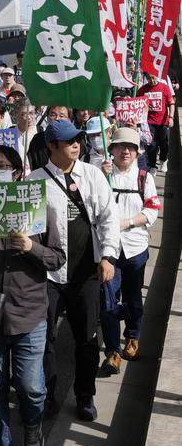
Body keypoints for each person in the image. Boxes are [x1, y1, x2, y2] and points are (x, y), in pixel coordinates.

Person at [0, 146, 65, 446]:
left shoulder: (39, 208)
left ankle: (32, 422)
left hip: (29, 312)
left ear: (17, 173)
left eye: (2, 166)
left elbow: (57, 258)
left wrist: (31, 247)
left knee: (30, 385)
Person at [29, 120, 120, 421]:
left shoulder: (92, 174)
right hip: (49, 276)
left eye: (77, 140)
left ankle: (85, 395)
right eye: (68, 141)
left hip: (86, 274)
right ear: (51, 147)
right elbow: (27, 227)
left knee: (87, 338)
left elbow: (108, 217)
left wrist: (107, 257)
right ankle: (48, 395)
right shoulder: (35, 180)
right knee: (45, 340)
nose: (76, 145)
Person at [97, 128, 160, 372]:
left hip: (135, 248)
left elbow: (152, 210)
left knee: (133, 297)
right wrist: (102, 180)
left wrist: (128, 222)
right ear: (111, 149)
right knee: (108, 300)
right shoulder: (102, 175)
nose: (126, 151)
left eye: (131, 148)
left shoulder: (145, 178)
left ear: (137, 153)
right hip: (109, 250)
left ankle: (133, 336)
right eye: (121, 146)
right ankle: (113, 351)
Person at [138, 73, 175, 173]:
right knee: (151, 145)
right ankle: (153, 166)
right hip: (149, 122)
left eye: (153, 78)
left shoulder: (164, 87)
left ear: (157, 77)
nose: (152, 80)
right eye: (149, 78)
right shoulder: (142, 90)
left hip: (163, 121)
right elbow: (138, 104)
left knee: (164, 144)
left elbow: (171, 103)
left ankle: (163, 160)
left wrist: (171, 117)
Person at [27, 106, 70, 171]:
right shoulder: (38, 139)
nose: (57, 119)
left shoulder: (75, 140)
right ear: (47, 118)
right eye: (53, 115)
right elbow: (32, 165)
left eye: (61, 116)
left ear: (69, 120)